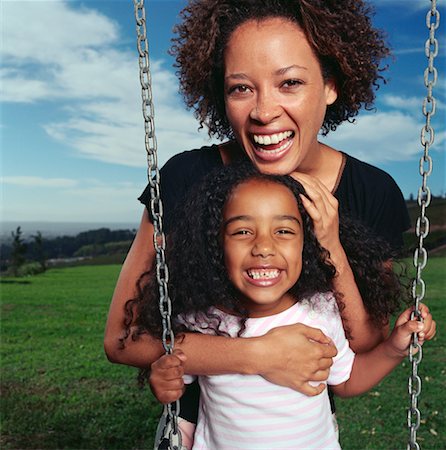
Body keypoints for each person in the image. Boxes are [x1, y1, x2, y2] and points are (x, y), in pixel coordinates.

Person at [104, 0, 411, 428]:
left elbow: (365, 343)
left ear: (330, 86)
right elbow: (122, 339)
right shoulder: (187, 178)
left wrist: (332, 243)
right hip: (200, 430)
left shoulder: (372, 193)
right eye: (241, 88)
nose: (264, 112)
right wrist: (257, 355)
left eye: (289, 83)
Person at [128, 164, 435, 449]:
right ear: (216, 245)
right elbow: (174, 374)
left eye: (284, 231)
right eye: (242, 231)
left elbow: (348, 379)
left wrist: (394, 349)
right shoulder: (204, 318)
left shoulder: (320, 311)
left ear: (307, 243)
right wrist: (163, 382)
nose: (263, 247)